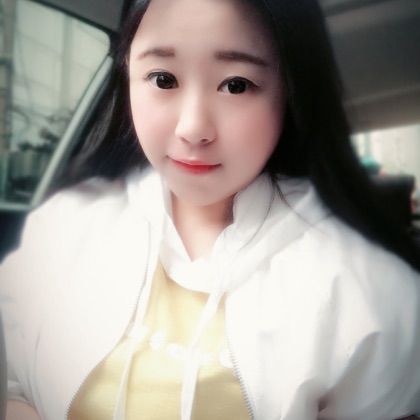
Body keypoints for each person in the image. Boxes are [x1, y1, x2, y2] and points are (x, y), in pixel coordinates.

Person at [1, 0, 420, 419]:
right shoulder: (61, 226)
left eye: (236, 85)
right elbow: (15, 386)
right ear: (128, 72)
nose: (192, 128)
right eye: (163, 79)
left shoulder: (370, 291)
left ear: (291, 90)